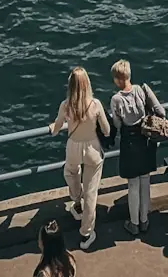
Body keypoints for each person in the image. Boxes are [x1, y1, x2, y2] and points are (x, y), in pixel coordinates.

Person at [49, 68, 110, 252]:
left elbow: (56, 128)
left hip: (74, 146)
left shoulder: (66, 105)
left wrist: (52, 127)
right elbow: (106, 130)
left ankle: (76, 203)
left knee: (70, 172)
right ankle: (86, 233)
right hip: (92, 148)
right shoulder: (96, 104)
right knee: (91, 193)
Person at [108, 59, 166, 236]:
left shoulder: (116, 99)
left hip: (129, 142)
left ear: (118, 79)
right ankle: (144, 220)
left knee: (133, 184)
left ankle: (133, 224)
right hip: (145, 140)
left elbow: (117, 124)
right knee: (145, 181)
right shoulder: (142, 90)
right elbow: (161, 112)